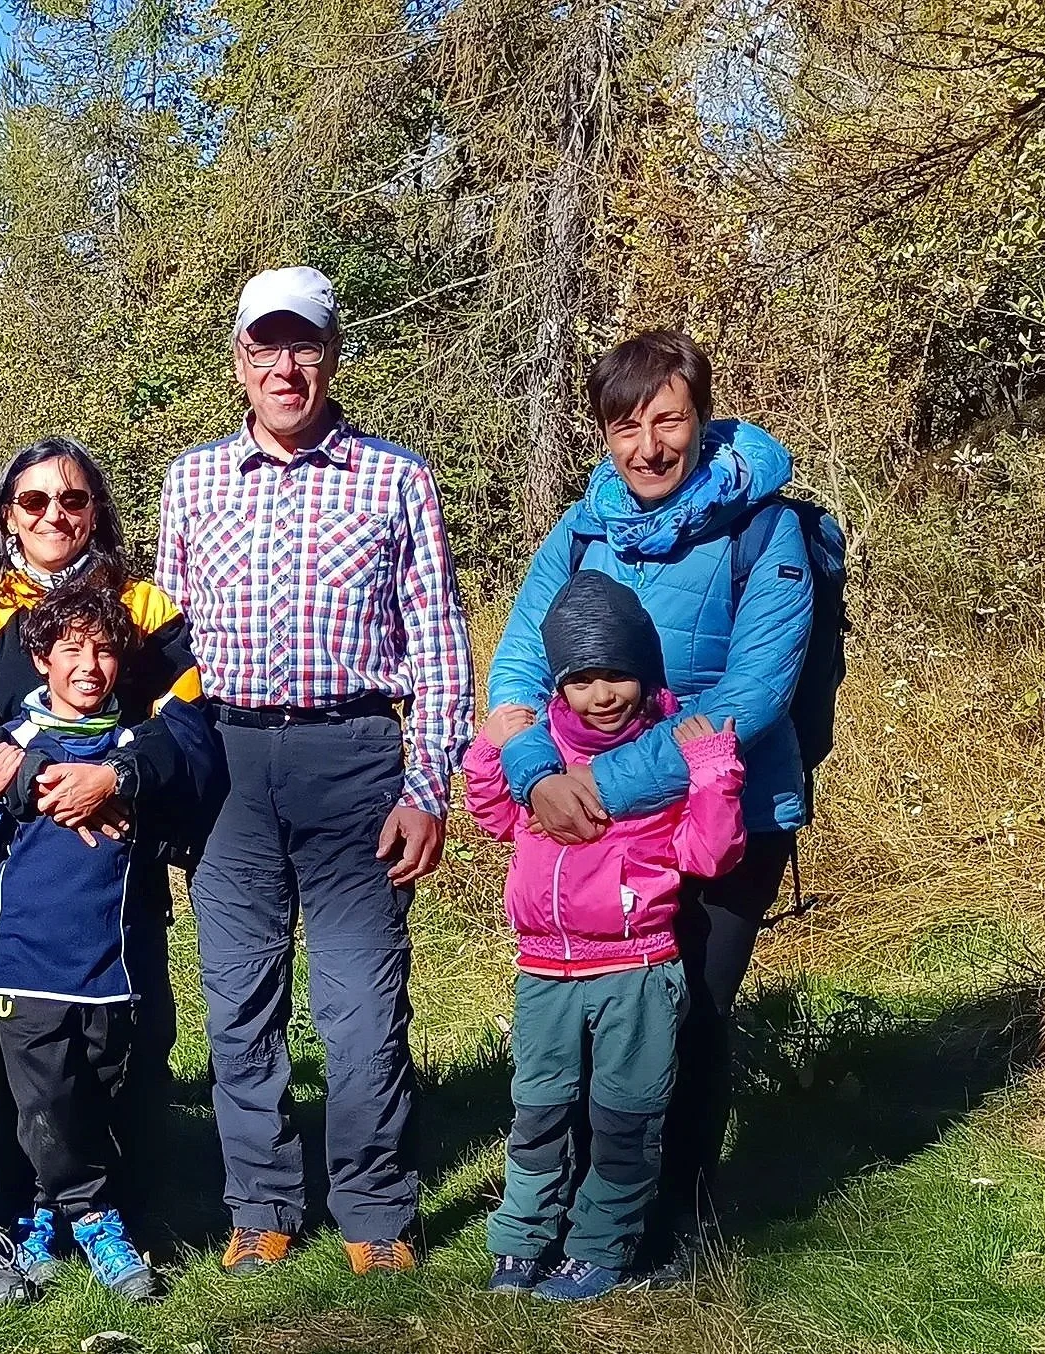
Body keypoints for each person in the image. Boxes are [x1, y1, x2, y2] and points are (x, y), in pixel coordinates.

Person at [155, 265, 474, 1275]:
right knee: (238, 1003)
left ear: (333, 354)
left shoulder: (395, 477)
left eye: (302, 345)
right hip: (228, 767)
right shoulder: (191, 480)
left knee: (361, 1007)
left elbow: (437, 646)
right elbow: (163, 648)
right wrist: (165, 778)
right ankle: (261, 1203)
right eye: (264, 347)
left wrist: (427, 789)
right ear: (238, 360)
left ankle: (377, 1213)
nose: (283, 366)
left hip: (354, 759)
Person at [482, 330, 816, 1277]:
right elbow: (516, 666)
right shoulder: (583, 528)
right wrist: (540, 776)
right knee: (596, 1020)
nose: (648, 445)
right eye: (625, 425)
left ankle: (677, 1221)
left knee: (693, 1018)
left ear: (702, 419)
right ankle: (595, 1217)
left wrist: (602, 785)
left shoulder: (764, 529)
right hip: (585, 828)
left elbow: (752, 699)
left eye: (667, 418)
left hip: (726, 820)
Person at [0, 436, 204, 1259]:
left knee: (132, 1042)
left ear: (98, 512)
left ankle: (130, 1201)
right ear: (7, 516)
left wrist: (117, 779)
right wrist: (47, 785)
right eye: (34, 501)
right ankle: (35, 1203)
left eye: (74, 499)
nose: (55, 514)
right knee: (30, 1056)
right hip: (21, 878)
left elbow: (188, 727)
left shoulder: (149, 608)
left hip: (121, 867)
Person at [465, 570, 746, 1303]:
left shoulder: (665, 757)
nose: (601, 694)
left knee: (625, 1118)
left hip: (638, 971)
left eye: (617, 675)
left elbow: (708, 857)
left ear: (645, 676)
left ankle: (601, 1249)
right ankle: (523, 1238)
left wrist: (715, 776)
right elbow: (495, 819)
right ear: (560, 686)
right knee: (539, 1113)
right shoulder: (542, 756)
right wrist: (490, 753)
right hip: (543, 974)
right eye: (582, 678)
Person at [0, 584, 179, 1302]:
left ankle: (42, 1220)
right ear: (39, 658)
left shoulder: (132, 750)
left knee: (95, 1100)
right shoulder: (7, 746)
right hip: (27, 967)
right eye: (72, 649)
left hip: (111, 970)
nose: (90, 664)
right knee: (44, 1103)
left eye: (106, 649)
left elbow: (170, 790)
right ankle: (95, 1220)